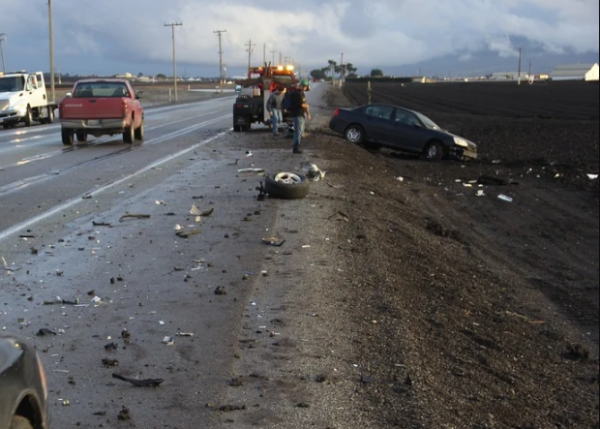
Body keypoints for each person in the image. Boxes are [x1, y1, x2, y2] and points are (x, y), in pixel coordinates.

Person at [290, 81, 311, 154]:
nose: (305, 88)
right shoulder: (297, 94)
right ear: (301, 86)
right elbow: (302, 105)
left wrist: (308, 113)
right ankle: (296, 147)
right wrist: (307, 106)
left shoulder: (302, 94)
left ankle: (297, 145)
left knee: (300, 131)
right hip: (297, 114)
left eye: (306, 87)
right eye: (304, 86)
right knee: (298, 131)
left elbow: (304, 104)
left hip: (301, 114)